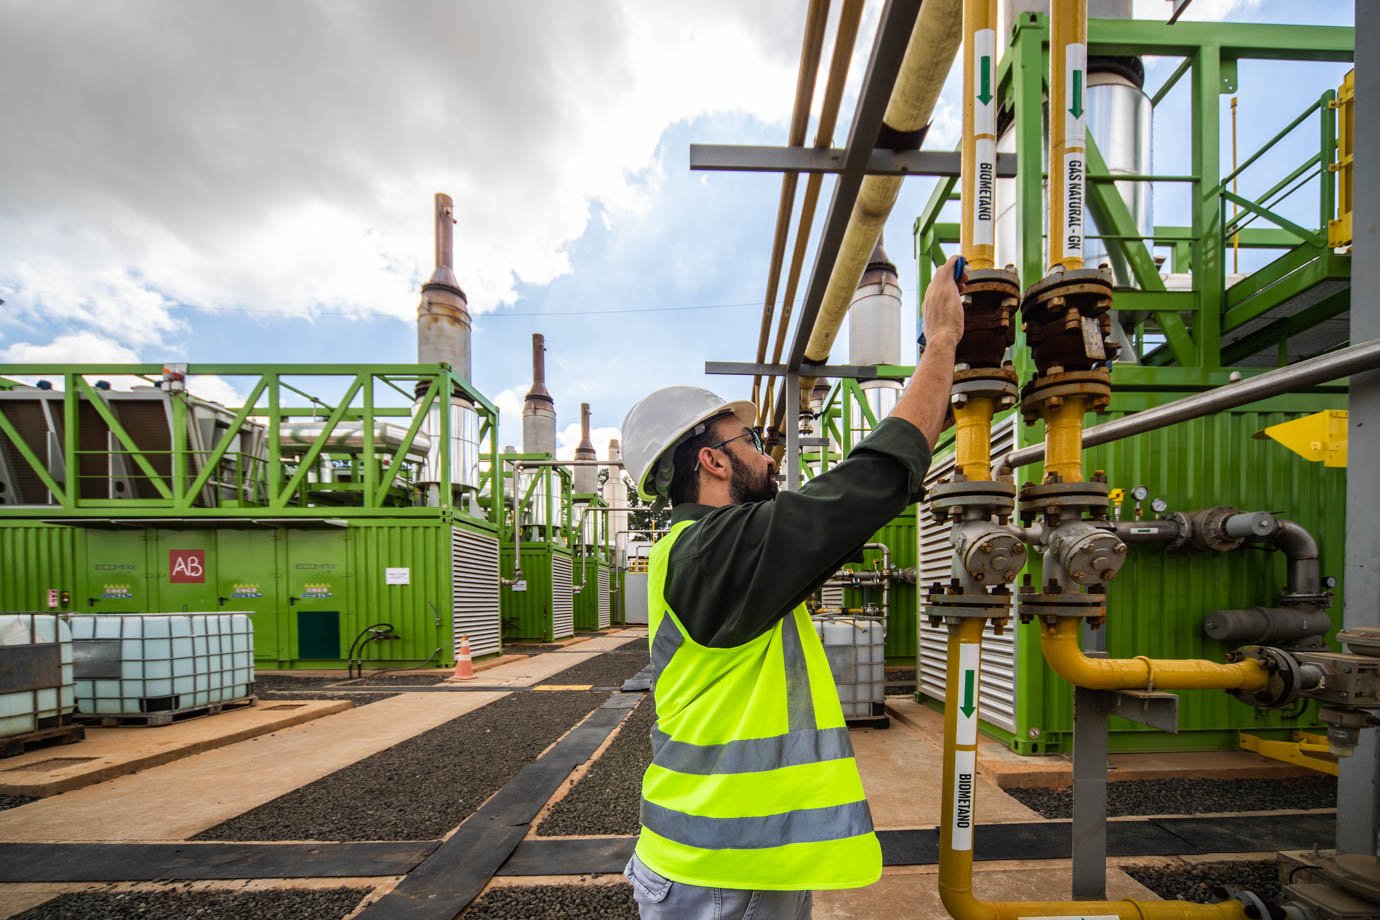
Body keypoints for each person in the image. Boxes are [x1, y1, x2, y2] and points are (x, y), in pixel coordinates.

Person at [618, 255, 967, 919]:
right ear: (713, 461)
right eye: (750, 440)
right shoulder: (718, 551)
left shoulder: (698, 551)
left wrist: (939, 387)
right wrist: (941, 344)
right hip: (722, 877)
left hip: (723, 862)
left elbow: (853, 491)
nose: (768, 454)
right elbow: (869, 484)